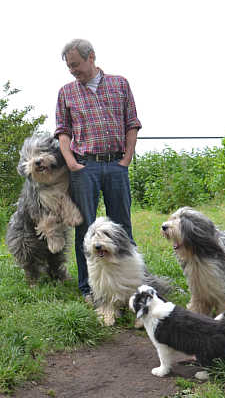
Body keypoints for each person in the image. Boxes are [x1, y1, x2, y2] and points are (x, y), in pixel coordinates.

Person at [54, 38, 142, 303]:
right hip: (84, 166)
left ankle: (131, 286)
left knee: (122, 227)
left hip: (116, 164)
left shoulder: (120, 84)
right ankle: (89, 289)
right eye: (69, 67)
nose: (73, 71)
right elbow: (63, 131)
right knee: (85, 229)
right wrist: (71, 162)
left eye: (76, 65)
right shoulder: (66, 92)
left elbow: (132, 123)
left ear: (91, 57)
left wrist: (126, 159)